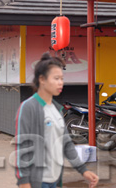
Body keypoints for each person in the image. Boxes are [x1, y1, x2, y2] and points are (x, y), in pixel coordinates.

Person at [14, 53, 99, 188]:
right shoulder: (29, 107)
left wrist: (83, 170)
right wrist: (24, 182)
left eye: (62, 78)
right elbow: (23, 147)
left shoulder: (56, 109)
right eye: (56, 78)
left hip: (55, 179)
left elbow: (67, 144)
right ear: (42, 79)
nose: (61, 82)